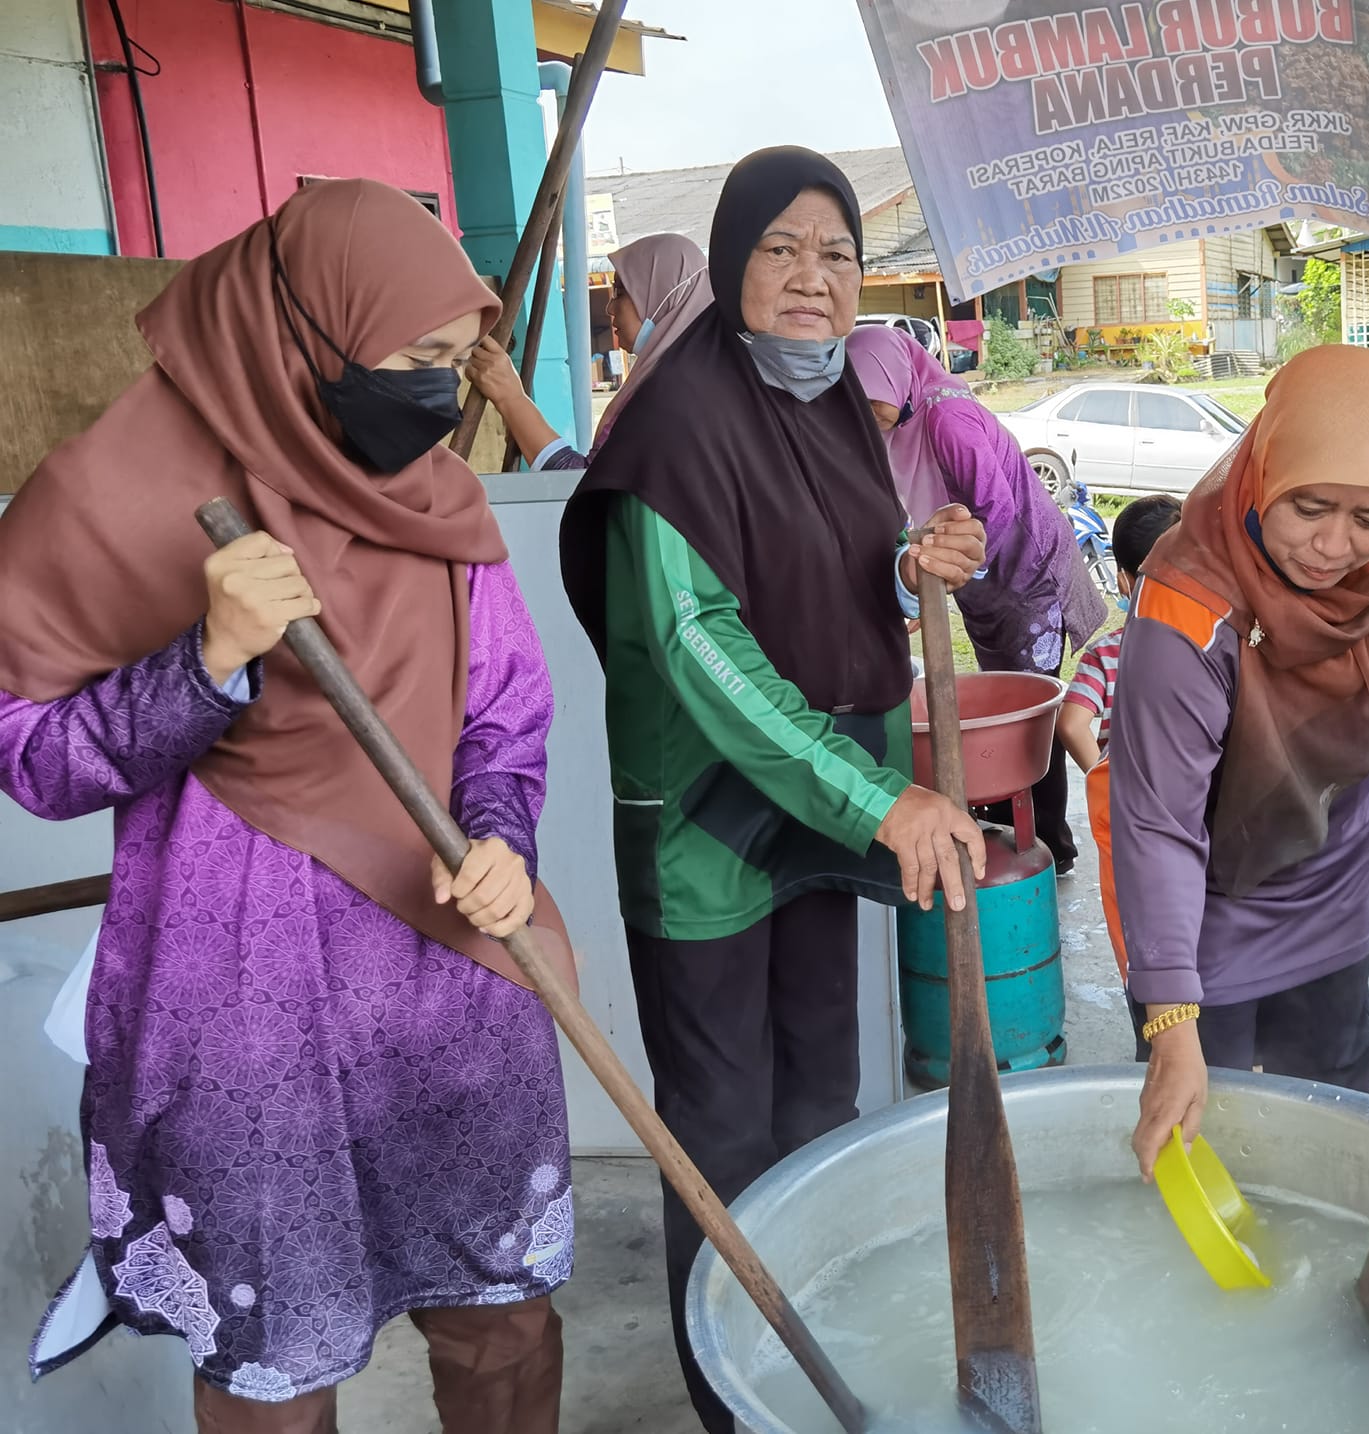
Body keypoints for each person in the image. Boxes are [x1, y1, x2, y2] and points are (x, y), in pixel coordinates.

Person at [0, 180, 576, 1433]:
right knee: (275, 1362)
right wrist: (204, 662)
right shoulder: (109, 505)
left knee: (499, 1323)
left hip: (447, 982)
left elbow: (503, 713)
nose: (439, 396)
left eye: (454, 362)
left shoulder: (433, 497)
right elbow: (34, 759)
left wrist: (499, 834)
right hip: (245, 1016)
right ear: (304, 331)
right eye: (415, 361)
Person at [557, 147, 989, 1434]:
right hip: (708, 829)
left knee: (820, 1097)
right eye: (781, 250)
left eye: (837, 254)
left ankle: (818, 1356)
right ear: (729, 261)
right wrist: (882, 803)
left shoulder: (836, 400)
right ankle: (734, 1403)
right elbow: (700, 651)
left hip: (819, 809)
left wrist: (912, 565)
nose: (813, 278)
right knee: (722, 1132)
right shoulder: (675, 430)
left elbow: (828, 571)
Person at [1105, 346, 1369, 1178]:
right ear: (1264, 467)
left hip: (1334, 884)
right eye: (1309, 506)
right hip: (1206, 910)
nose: (1332, 545)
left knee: (1334, 1127)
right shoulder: (1186, 600)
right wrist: (1171, 1017)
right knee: (1200, 1141)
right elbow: (1159, 822)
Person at [847, 324, 1107, 873]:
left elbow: (999, 508)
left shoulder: (947, 418)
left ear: (897, 381)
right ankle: (1009, 828)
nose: (866, 418)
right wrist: (916, 585)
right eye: (855, 405)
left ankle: (1049, 844)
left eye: (872, 404)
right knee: (1003, 699)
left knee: (1028, 708)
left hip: (1025, 575)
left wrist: (954, 572)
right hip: (986, 582)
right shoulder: (901, 424)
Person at [464, 233, 708, 470]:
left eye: (621, 292)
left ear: (662, 297)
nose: (610, 307)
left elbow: (589, 483)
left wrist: (510, 398)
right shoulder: (693, 379)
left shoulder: (671, 394)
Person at [1058, 494, 1183, 776]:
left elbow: (1071, 724)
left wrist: (1106, 786)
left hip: (1124, 798)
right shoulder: (1210, 648)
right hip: (1189, 795)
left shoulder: (1105, 654)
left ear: (1123, 581)